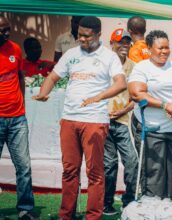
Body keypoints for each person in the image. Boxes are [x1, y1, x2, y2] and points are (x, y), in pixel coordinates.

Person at [32, 16, 127, 219]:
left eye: (86, 36)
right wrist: (44, 92)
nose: (82, 39)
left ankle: (93, 216)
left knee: (94, 172)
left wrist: (99, 96)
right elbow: (53, 76)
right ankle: (66, 215)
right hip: (69, 119)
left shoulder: (109, 57)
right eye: (79, 35)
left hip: (94, 120)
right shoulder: (71, 54)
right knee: (69, 170)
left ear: (98, 35)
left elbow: (120, 83)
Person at [128, 30, 172, 200]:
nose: (165, 51)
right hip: (150, 128)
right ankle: (153, 210)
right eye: (160, 48)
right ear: (149, 48)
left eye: (167, 47)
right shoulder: (141, 68)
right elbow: (136, 93)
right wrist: (165, 105)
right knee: (154, 173)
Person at [0, 16, 36, 220]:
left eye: (8, 30)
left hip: (17, 118)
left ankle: (25, 208)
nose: (7, 34)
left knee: (24, 165)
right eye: (2, 30)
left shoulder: (14, 48)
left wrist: (21, 102)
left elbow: (20, 76)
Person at [103, 28, 138, 216]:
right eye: (120, 42)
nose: (124, 45)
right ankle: (106, 204)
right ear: (112, 43)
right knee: (109, 165)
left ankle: (129, 201)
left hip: (123, 122)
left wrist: (124, 110)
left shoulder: (133, 66)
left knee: (132, 162)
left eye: (127, 42)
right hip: (104, 121)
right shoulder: (103, 63)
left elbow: (136, 95)